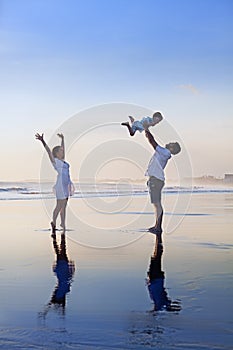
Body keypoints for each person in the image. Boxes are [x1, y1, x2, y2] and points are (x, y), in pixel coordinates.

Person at [35, 133, 74, 233]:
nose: (62, 151)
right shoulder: (55, 161)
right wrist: (43, 141)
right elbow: (48, 151)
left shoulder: (63, 161)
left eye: (62, 150)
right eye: (60, 151)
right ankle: (54, 222)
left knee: (64, 206)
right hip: (60, 185)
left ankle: (63, 223)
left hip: (66, 185)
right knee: (59, 205)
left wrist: (63, 139)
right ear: (56, 153)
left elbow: (63, 149)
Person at [145, 129, 181, 234]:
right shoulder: (164, 152)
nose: (169, 143)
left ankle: (158, 227)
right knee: (157, 204)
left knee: (157, 204)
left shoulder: (165, 152)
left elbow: (152, 141)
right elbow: (152, 141)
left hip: (156, 180)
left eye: (171, 144)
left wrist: (147, 129)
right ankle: (157, 226)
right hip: (156, 180)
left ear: (172, 148)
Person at [147, 234, 181, 312]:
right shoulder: (160, 305)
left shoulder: (158, 303)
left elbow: (168, 304)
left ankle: (158, 241)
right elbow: (168, 305)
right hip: (156, 279)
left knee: (156, 258)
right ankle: (159, 241)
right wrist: (174, 308)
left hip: (155, 279)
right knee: (156, 258)